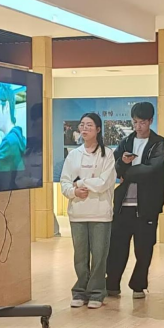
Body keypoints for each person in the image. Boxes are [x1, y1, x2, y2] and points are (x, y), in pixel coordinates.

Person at [106, 102, 164, 300]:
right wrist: (122, 164)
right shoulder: (126, 141)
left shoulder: (158, 143)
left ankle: (138, 286)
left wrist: (128, 172)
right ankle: (112, 284)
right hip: (123, 206)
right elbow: (113, 167)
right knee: (116, 247)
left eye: (142, 122)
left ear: (150, 121)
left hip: (147, 205)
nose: (138, 126)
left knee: (144, 249)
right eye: (135, 122)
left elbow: (153, 170)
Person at [61, 113, 117, 310]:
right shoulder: (73, 155)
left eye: (89, 125)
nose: (84, 128)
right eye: (82, 125)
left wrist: (81, 182)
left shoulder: (107, 154)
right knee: (80, 256)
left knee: (99, 256)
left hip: (100, 213)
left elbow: (104, 183)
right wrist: (74, 191)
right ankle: (79, 291)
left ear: (98, 129)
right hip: (78, 213)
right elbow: (65, 182)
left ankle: (96, 292)